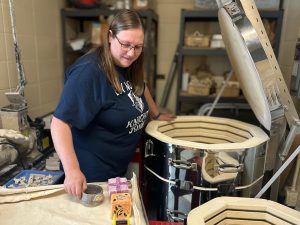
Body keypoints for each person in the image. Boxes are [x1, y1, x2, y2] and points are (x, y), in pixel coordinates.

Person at [50, 9, 175, 199]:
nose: (132, 53)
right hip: (91, 177)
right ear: (110, 36)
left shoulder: (128, 63)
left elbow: (140, 84)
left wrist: (156, 114)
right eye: (125, 44)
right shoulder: (89, 72)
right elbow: (59, 123)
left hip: (116, 170)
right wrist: (72, 170)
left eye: (138, 47)